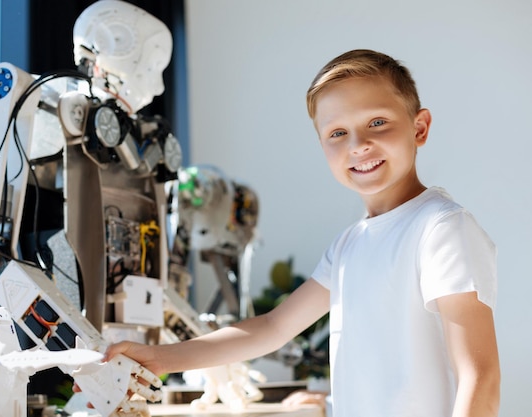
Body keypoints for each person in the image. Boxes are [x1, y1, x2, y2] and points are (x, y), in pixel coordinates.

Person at [101, 49, 501, 417]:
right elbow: (273, 328)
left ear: (420, 128)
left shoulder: (441, 229)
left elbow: (480, 379)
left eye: (377, 122)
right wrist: (160, 358)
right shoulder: (348, 246)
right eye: (337, 133)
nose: (359, 145)